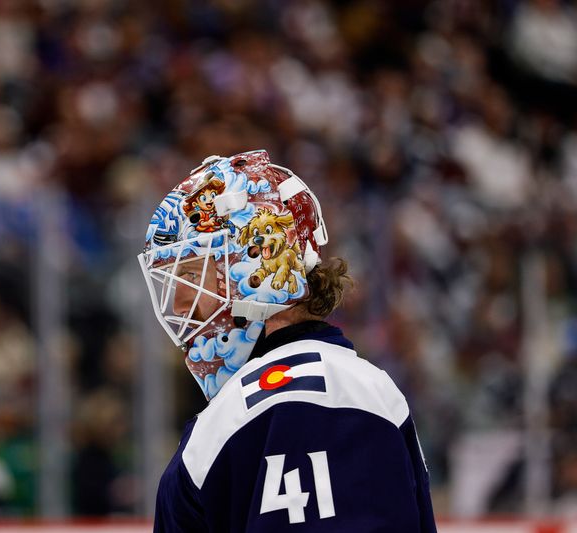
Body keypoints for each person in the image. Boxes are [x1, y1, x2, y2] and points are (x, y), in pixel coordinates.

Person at [138, 150, 437, 532]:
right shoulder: (380, 394)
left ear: (254, 267)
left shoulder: (217, 431)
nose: (180, 303)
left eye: (192, 275)